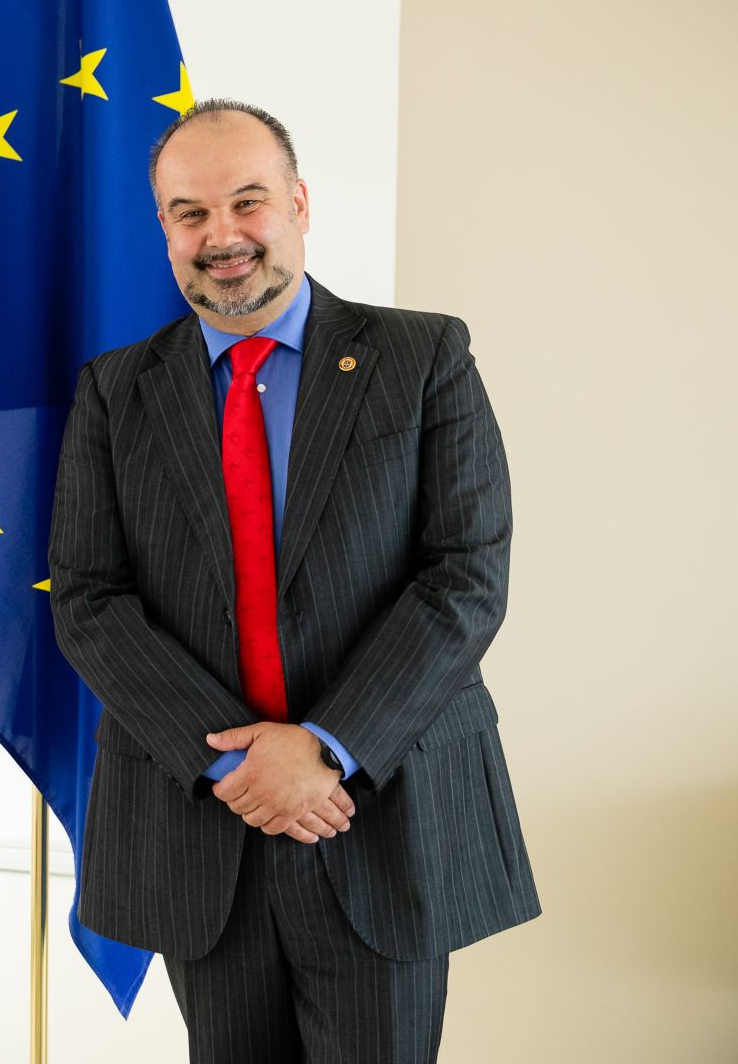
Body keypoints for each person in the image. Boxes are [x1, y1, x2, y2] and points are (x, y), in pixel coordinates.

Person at [48, 99, 539, 1063]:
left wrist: (324, 748)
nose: (221, 235)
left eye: (247, 200)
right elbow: (89, 600)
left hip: (378, 812)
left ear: (300, 203)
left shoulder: (423, 355)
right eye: (189, 212)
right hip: (205, 825)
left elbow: (465, 576)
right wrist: (241, 763)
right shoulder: (114, 391)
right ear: (163, 228)